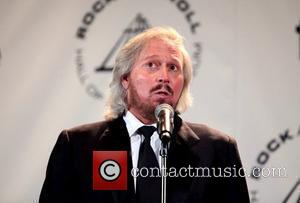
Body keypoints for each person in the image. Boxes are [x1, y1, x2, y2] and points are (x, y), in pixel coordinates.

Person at [40, 26, 250, 203]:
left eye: (173, 67)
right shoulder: (77, 145)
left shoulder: (217, 149)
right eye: (152, 65)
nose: (164, 77)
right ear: (125, 78)